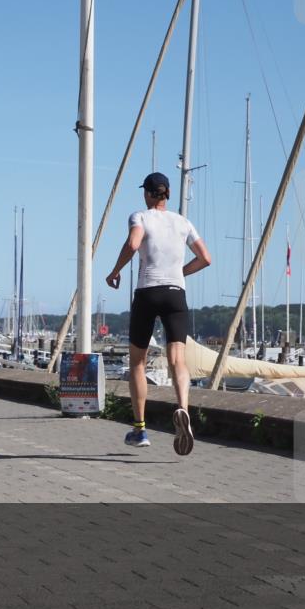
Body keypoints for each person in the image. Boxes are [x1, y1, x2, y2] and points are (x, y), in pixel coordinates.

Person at [104, 172, 211, 455]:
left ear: (148, 194)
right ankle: (183, 409)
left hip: (148, 292)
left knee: (138, 362)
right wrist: (179, 273)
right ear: (168, 194)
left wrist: (115, 271)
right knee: (178, 358)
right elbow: (205, 258)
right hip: (176, 293)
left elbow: (133, 244)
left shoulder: (140, 217)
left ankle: (140, 429)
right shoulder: (183, 222)